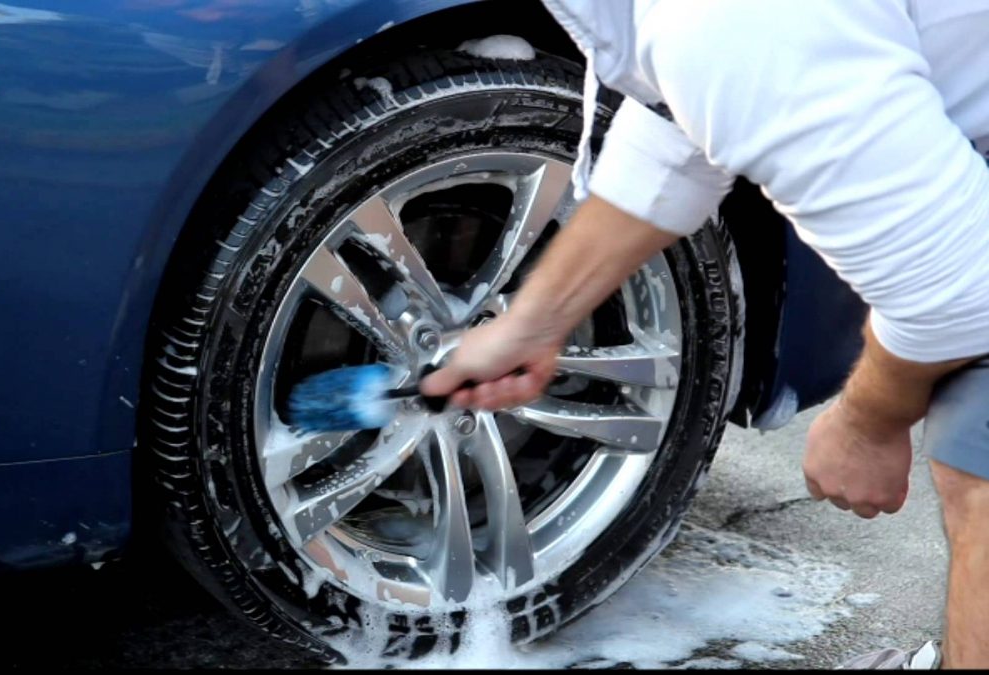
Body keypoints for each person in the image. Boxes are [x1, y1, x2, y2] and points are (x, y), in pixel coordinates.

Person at [421, 1, 989, 669]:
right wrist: (531, 324)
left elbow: (958, 298)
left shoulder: (726, 21)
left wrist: (866, 424)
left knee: (977, 459)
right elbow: (680, 132)